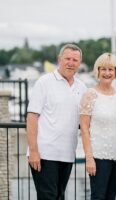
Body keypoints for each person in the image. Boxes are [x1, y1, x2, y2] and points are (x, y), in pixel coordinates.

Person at [26, 44, 87, 199]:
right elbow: (32, 117)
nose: (71, 63)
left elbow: (85, 120)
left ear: (79, 63)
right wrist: (33, 151)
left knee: (59, 196)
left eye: (75, 60)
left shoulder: (82, 87)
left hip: (67, 153)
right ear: (59, 59)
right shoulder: (44, 82)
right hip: (44, 153)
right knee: (48, 196)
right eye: (67, 58)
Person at [79, 53, 116, 200]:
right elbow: (85, 129)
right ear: (98, 71)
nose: (107, 73)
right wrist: (89, 158)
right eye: (103, 69)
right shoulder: (90, 94)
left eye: (111, 69)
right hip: (99, 155)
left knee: (111, 195)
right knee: (98, 196)